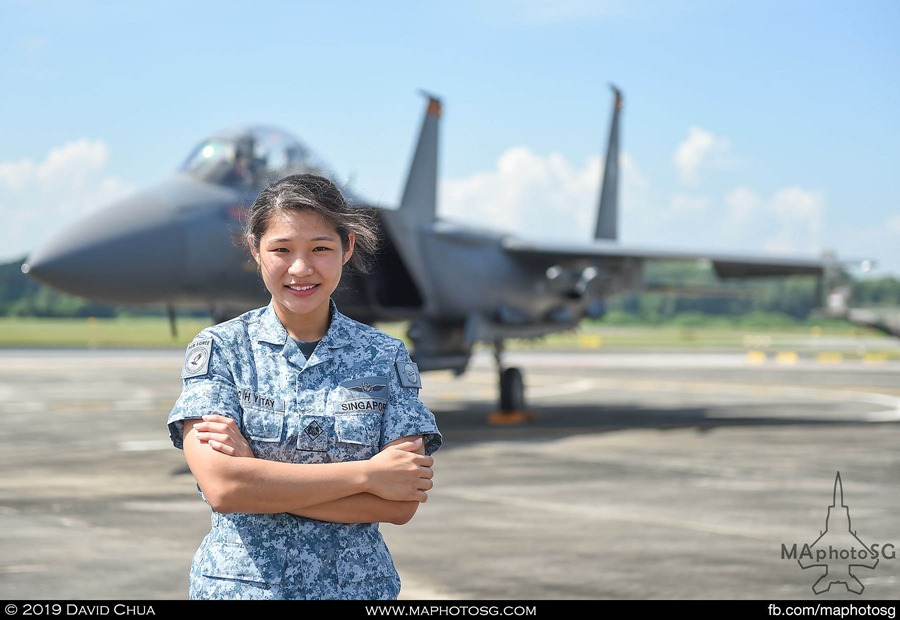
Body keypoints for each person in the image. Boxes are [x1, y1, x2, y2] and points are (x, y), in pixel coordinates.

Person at [167, 173, 442, 600]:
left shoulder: (385, 357)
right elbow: (223, 488)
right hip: (244, 590)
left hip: (354, 590)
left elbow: (401, 502)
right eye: (281, 249)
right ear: (255, 249)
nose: (301, 268)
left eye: (320, 249)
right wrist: (367, 474)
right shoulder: (222, 350)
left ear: (347, 248)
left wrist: (258, 481)